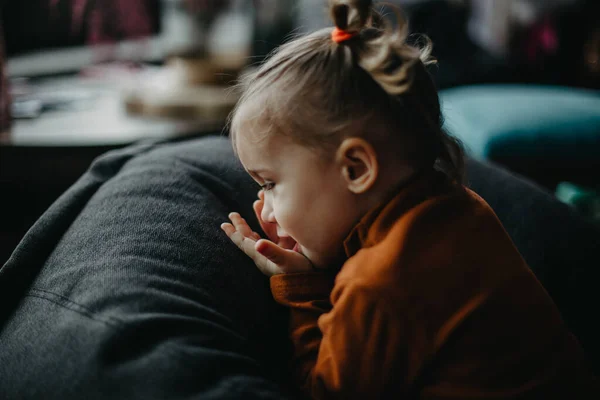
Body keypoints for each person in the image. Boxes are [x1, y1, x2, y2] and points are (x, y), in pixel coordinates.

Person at [220, 0, 597, 398]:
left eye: (271, 184)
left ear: (356, 169)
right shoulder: (463, 208)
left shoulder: (377, 285)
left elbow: (324, 392)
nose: (265, 208)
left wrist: (302, 291)